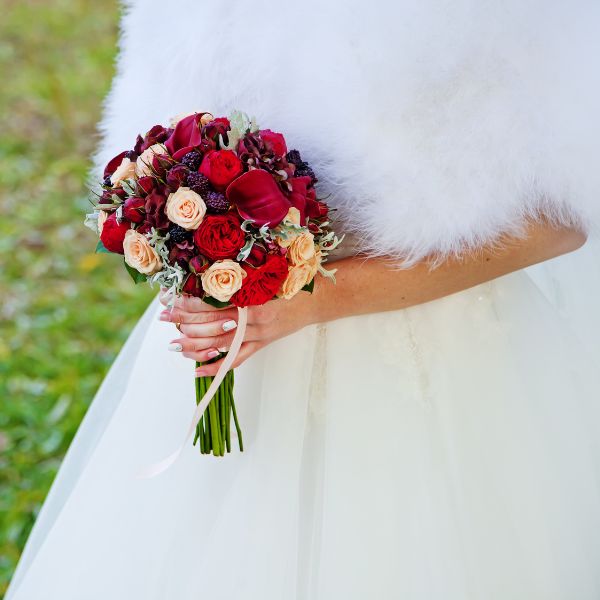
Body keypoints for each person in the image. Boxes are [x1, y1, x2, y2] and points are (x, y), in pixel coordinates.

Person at [7, 1, 600, 598]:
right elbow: (150, 166)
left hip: (439, 371)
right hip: (242, 365)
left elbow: (560, 218)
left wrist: (311, 301)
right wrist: (191, 270)